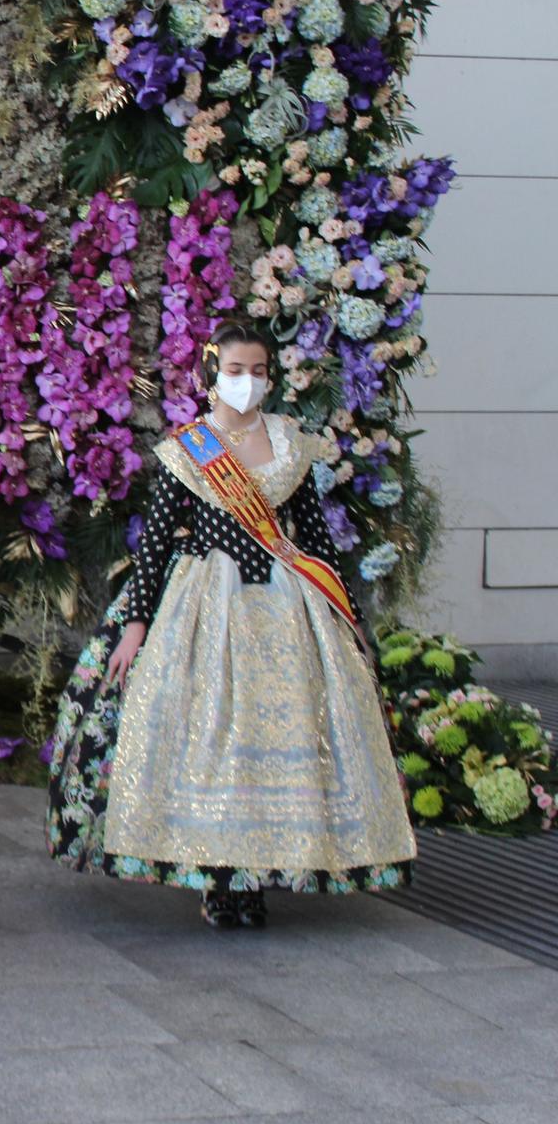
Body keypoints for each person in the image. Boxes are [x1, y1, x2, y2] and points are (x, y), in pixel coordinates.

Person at [47, 321, 415, 927]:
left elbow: (316, 538)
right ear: (213, 372)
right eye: (236, 370)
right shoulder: (188, 449)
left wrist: (344, 613)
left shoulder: (292, 444)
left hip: (287, 606)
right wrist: (136, 622)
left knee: (290, 736)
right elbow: (156, 542)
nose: (248, 383)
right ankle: (218, 878)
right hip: (205, 604)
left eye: (260, 371)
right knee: (208, 734)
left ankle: (266, 869)